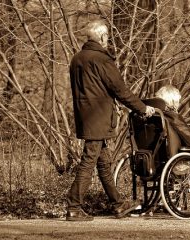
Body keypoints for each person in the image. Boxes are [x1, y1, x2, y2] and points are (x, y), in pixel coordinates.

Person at [67, 19, 156, 221]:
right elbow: (120, 90)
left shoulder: (77, 59)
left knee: (103, 162)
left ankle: (118, 204)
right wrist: (142, 108)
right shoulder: (101, 60)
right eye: (107, 35)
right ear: (102, 37)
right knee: (89, 161)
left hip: (85, 116)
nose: (108, 39)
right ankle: (73, 206)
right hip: (98, 118)